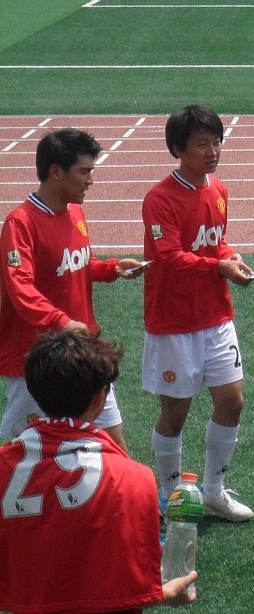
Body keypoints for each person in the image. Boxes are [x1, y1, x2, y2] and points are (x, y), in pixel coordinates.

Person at [0, 330, 198, 614]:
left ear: (33, 390)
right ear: (100, 398)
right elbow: (133, 589)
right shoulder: (135, 479)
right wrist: (165, 593)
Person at [142, 105, 254, 523]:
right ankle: (172, 494)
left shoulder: (219, 190)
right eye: (201, 144)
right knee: (175, 414)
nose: (212, 151)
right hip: (174, 323)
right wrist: (218, 266)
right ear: (177, 149)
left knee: (233, 401)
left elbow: (216, 242)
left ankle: (213, 490)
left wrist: (231, 257)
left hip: (216, 317)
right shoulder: (160, 199)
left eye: (216, 141)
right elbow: (169, 258)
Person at [1, 129, 145, 451]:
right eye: (84, 171)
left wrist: (112, 268)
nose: (90, 180)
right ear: (56, 172)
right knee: (34, 453)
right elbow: (19, 288)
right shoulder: (20, 223)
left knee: (113, 445)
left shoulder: (75, 212)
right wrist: (61, 321)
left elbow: (78, 264)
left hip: (83, 350)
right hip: (38, 361)